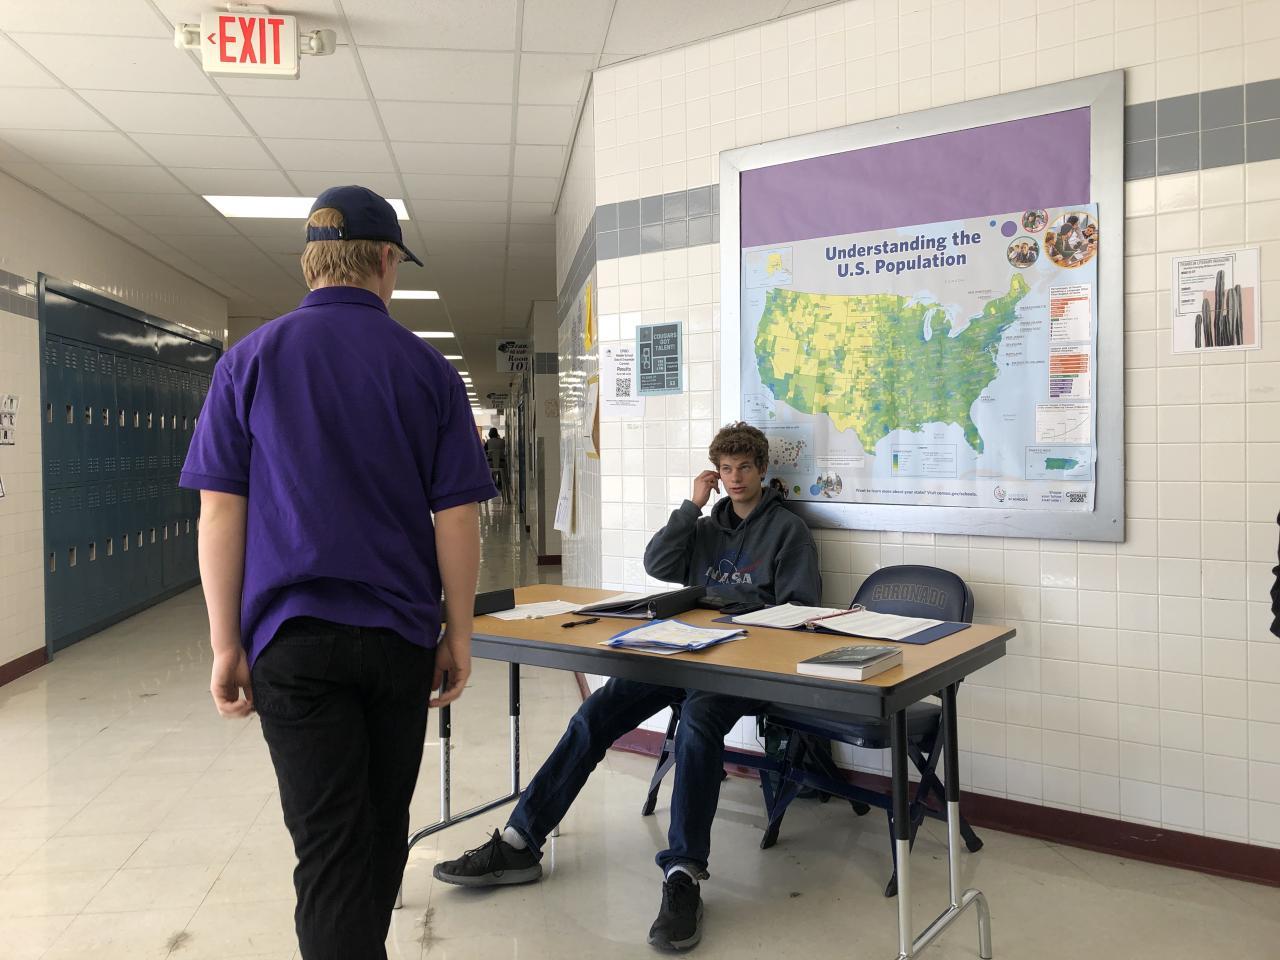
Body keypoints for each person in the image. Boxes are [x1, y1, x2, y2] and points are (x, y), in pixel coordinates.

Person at [181, 185, 496, 960]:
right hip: (397, 640)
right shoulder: (427, 369)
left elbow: (220, 514)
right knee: (381, 833)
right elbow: (456, 518)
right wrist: (458, 636)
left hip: (292, 645)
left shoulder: (247, 362)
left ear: (310, 260)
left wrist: (226, 645)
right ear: (386, 260)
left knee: (330, 848)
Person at [433, 422, 820, 951]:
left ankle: (683, 875)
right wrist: (690, 507)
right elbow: (658, 565)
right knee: (597, 712)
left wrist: (735, 616)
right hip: (683, 651)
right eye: (726, 469)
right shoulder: (705, 525)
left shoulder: (788, 531)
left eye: (745, 468)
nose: (735, 478)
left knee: (698, 724)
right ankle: (520, 842)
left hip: (743, 664)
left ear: (762, 469)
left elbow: (800, 611)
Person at [485, 427, 508, 502]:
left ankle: (492, 482)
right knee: (503, 468)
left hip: (490, 464)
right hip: (501, 463)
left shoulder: (488, 442)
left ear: (490, 434)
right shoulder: (503, 441)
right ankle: (502, 483)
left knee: (489, 469)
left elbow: (484, 452)